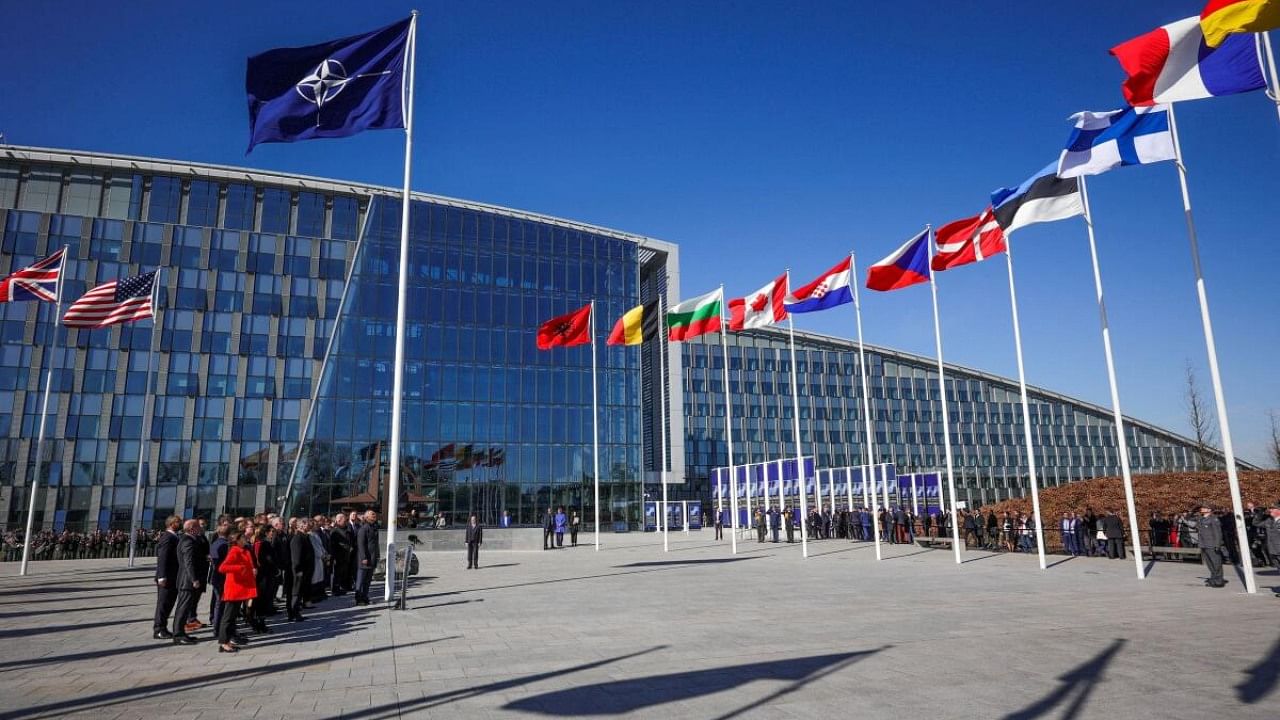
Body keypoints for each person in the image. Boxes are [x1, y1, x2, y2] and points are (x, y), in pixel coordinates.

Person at [217, 529, 257, 653]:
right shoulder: (235, 551)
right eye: (243, 538)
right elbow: (223, 567)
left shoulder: (243, 550)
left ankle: (228, 641)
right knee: (228, 617)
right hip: (234, 588)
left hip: (240, 588)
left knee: (232, 617)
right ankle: (223, 642)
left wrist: (251, 570)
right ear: (238, 540)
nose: (246, 539)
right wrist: (241, 568)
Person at [170, 519, 206, 645]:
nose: (200, 529)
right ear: (191, 529)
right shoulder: (187, 541)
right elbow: (188, 562)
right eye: (197, 527)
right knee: (183, 608)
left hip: (188, 580)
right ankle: (178, 635)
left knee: (185, 608)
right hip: (187, 580)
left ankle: (181, 633)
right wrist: (194, 579)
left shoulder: (191, 539)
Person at [152, 515, 182, 640]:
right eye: (178, 522)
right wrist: (161, 576)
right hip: (166, 577)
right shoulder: (168, 537)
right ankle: (159, 629)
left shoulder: (174, 536)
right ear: (171, 523)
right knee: (163, 604)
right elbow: (163, 557)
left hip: (172, 576)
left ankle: (163, 627)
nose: (180, 524)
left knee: (168, 604)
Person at [250, 525, 275, 634]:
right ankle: (259, 624)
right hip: (263, 576)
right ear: (266, 533)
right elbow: (265, 559)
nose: (273, 533)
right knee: (261, 600)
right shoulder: (262, 544)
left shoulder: (260, 543)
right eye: (271, 531)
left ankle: (259, 623)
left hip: (264, 575)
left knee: (261, 600)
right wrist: (275, 566)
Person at [1195, 504, 1227, 588]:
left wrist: (1217, 544)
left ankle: (1219, 581)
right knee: (1210, 564)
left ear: (1209, 510)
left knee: (1216, 563)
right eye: (1202, 508)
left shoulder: (1214, 519)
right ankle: (1213, 579)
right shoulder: (1201, 519)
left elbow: (1218, 533)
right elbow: (1196, 527)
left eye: (1204, 507)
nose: (1202, 509)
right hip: (1204, 544)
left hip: (1212, 544)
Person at [288, 519, 314, 620]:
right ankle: (294, 614)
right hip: (299, 572)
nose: (309, 525)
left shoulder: (305, 537)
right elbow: (296, 558)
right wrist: (298, 571)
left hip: (305, 570)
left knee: (300, 592)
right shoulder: (298, 538)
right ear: (301, 526)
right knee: (296, 593)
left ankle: (296, 613)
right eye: (307, 524)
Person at [355, 510, 379, 605]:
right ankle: (359, 599)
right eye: (372, 514)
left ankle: (365, 597)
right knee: (361, 580)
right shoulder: (363, 529)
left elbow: (375, 544)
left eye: (375, 514)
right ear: (366, 517)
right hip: (364, 559)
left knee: (368, 581)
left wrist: (377, 555)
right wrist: (364, 557)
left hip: (372, 558)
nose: (374, 515)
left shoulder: (374, 527)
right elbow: (361, 544)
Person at [328, 513, 353, 596]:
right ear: (338, 520)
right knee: (336, 574)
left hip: (345, 556)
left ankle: (341, 587)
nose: (345, 522)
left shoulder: (346, 530)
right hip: (337, 556)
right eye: (344, 520)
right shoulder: (334, 531)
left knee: (343, 573)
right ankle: (335, 589)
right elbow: (333, 545)